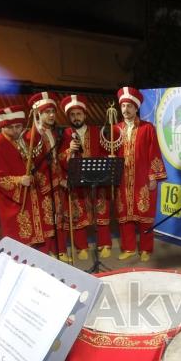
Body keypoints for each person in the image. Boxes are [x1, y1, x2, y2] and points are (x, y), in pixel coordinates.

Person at [0, 105, 58, 252]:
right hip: (14, 200)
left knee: (42, 233)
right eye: (10, 127)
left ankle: (41, 263)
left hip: (33, 195)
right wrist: (18, 180)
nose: (15, 130)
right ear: (3, 126)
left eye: (18, 126)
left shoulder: (23, 140)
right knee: (21, 239)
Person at [114, 86, 166, 262]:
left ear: (136, 108)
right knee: (124, 215)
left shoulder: (147, 128)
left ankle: (146, 248)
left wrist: (153, 176)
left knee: (144, 215)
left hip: (143, 178)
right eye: (123, 106)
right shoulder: (115, 129)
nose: (126, 110)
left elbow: (154, 153)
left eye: (129, 106)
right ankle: (128, 247)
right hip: (122, 180)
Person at [59, 94, 114, 260]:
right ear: (69, 117)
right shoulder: (65, 134)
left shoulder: (96, 131)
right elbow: (59, 157)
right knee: (78, 213)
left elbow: (106, 150)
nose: (76, 118)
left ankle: (105, 244)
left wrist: (108, 159)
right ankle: (81, 247)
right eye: (73, 115)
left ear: (85, 115)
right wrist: (69, 150)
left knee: (101, 211)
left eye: (79, 114)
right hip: (76, 181)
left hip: (97, 178)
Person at [27, 92, 69, 261]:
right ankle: (47, 254)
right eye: (47, 112)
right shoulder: (33, 135)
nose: (52, 115)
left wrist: (68, 153)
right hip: (42, 187)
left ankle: (60, 251)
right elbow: (34, 164)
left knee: (59, 217)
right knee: (46, 221)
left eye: (53, 111)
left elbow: (57, 159)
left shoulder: (56, 133)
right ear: (39, 114)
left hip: (57, 183)